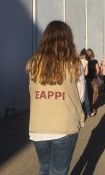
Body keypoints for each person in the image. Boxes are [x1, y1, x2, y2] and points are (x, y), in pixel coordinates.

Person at [26, 21, 85, 175]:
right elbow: (81, 95)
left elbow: (31, 91)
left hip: (38, 126)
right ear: (68, 40)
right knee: (59, 171)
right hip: (64, 126)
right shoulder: (74, 64)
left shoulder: (33, 64)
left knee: (45, 168)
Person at [86, 48, 99, 116]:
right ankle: (92, 107)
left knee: (88, 93)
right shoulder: (95, 61)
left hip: (87, 79)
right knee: (95, 93)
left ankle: (89, 108)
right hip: (94, 79)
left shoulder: (85, 61)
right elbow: (98, 70)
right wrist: (95, 76)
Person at [80, 49, 91, 118]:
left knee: (78, 97)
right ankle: (88, 113)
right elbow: (86, 73)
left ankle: (80, 113)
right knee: (86, 97)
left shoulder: (75, 61)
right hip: (83, 81)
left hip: (76, 82)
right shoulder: (85, 61)